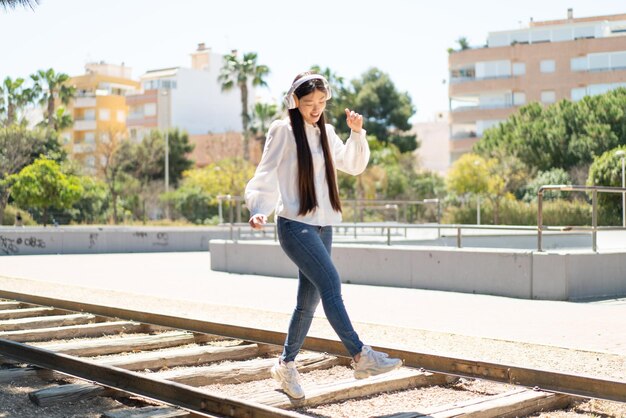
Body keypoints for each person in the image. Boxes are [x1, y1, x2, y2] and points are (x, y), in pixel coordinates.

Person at [245, 72, 402, 399]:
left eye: (320, 103)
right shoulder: (283, 131)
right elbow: (265, 173)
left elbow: (353, 164)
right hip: (293, 225)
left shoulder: (328, 133)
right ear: (294, 102)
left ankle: (286, 365)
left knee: (308, 302)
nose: (315, 108)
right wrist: (258, 207)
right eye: (308, 103)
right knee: (330, 283)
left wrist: (357, 133)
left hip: (322, 225)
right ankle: (360, 355)